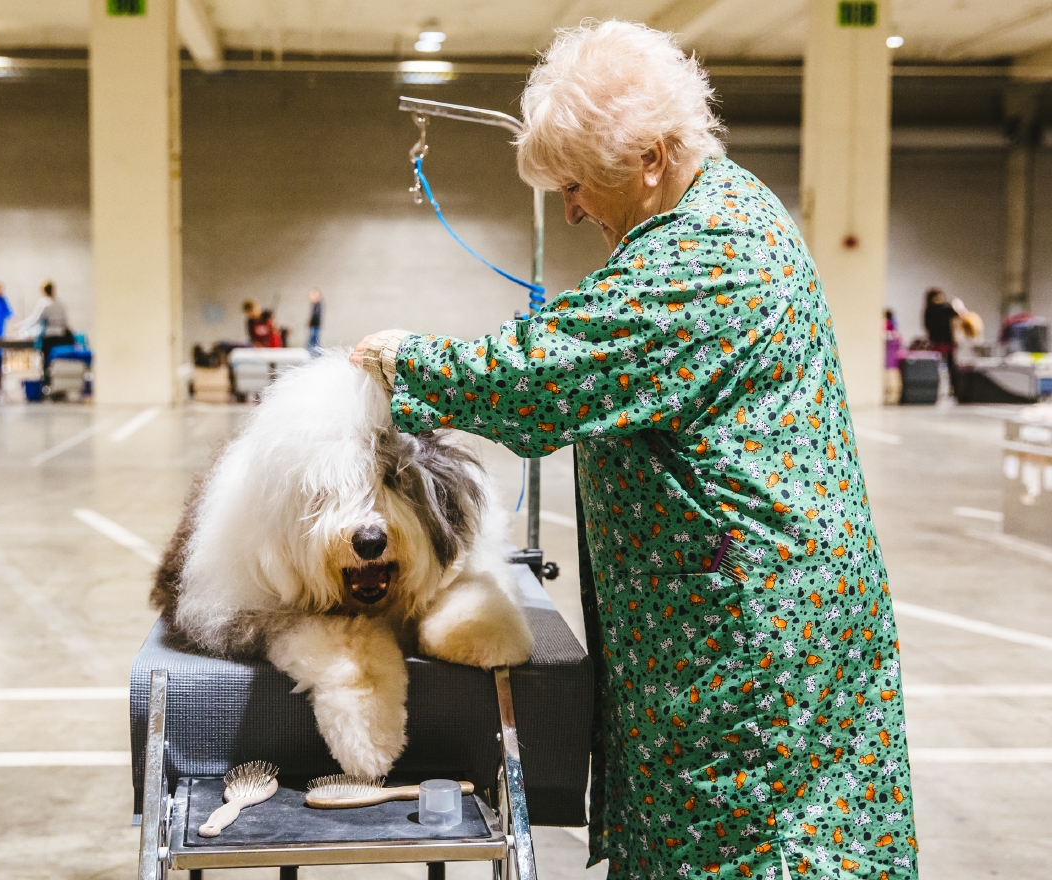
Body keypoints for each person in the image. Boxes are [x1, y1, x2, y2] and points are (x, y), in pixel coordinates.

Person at [352, 21, 917, 879]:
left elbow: (545, 379)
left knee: (745, 845)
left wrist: (404, 361)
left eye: (578, 185)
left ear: (650, 156)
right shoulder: (719, 208)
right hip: (740, 605)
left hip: (750, 639)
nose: (571, 210)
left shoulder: (708, 254)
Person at [17, 281, 73, 370]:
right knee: (57, 359)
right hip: (60, 335)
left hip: (49, 336)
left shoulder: (45, 304)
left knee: (45, 358)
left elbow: (35, 319)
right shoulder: (60, 303)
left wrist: (22, 325)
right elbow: (65, 321)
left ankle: (46, 374)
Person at [923, 287, 961, 392]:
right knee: (935, 367)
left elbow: (956, 321)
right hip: (936, 341)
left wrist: (955, 338)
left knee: (951, 366)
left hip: (947, 341)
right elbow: (927, 327)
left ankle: (953, 388)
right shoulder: (930, 310)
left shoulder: (947, 307)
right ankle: (934, 388)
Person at [307, 288, 324, 353]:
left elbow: (316, 316)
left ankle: (314, 354)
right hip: (313, 325)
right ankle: (312, 353)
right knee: (312, 341)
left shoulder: (318, 305)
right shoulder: (314, 305)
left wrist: (311, 321)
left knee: (314, 341)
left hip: (315, 326)